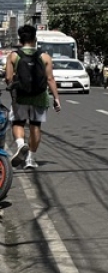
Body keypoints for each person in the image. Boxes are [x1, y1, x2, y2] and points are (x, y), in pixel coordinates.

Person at [3, 25, 62, 169]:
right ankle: (30, 158)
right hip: (40, 96)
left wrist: (14, 89)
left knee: (18, 123)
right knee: (36, 126)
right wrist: (56, 99)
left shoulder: (13, 56)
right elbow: (50, 79)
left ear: (20, 40)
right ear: (35, 39)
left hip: (21, 96)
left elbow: (9, 78)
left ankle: (20, 144)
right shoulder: (45, 57)